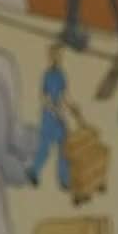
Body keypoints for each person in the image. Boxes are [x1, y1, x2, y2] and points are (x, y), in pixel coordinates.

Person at [27, 40, 80, 190]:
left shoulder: (61, 75)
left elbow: (64, 95)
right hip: (49, 117)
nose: (59, 58)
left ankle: (64, 179)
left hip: (59, 117)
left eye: (61, 56)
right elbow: (43, 97)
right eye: (57, 55)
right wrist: (54, 109)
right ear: (51, 56)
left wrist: (73, 107)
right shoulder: (47, 75)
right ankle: (33, 171)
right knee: (44, 147)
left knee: (64, 147)